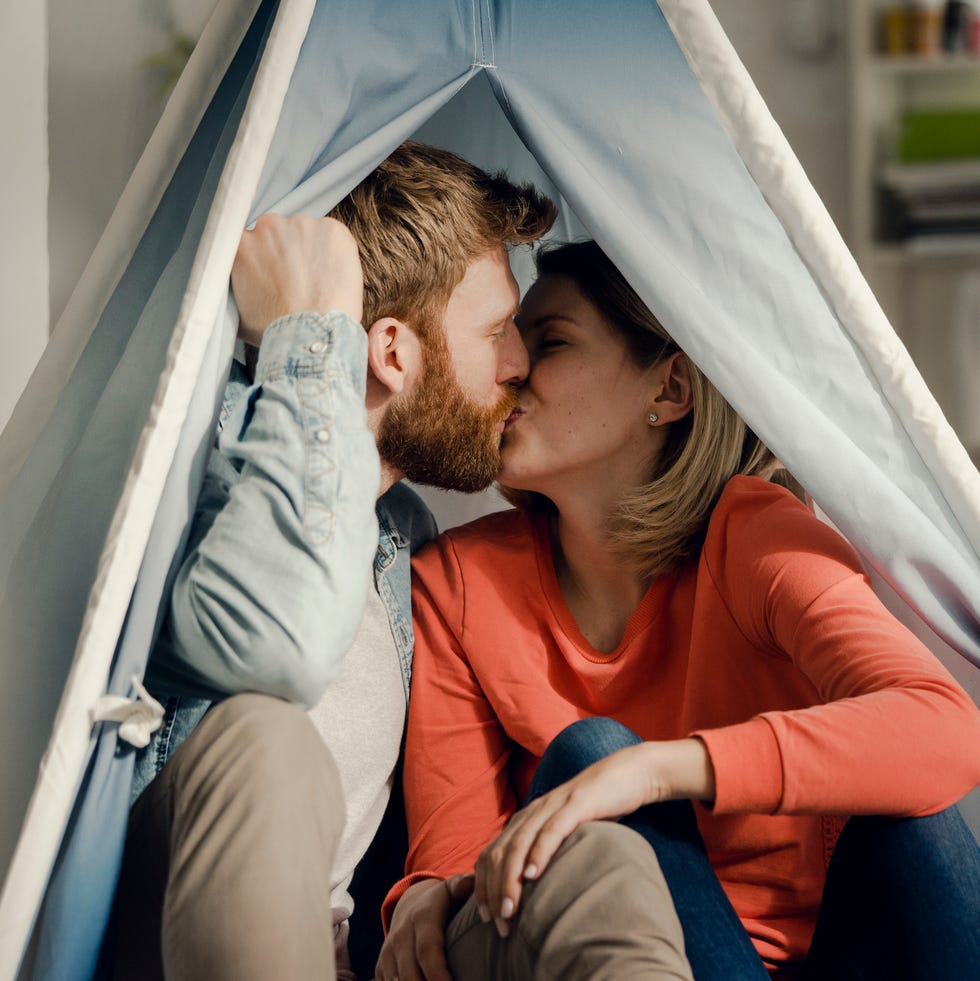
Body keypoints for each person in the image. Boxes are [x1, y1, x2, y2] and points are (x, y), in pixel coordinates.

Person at [378, 240, 980, 981]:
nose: (511, 369)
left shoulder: (756, 535)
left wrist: (660, 770)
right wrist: (422, 896)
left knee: (911, 807)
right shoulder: (457, 583)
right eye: (507, 339)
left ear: (669, 390)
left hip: (843, 955)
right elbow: (456, 861)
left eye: (552, 341)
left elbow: (947, 726)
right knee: (588, 753)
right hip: (646, 961)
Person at [111, 141, 555, 981]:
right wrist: (311, 331)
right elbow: (278, 647)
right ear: (390, 352)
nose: (519, 363)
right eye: (497, 331)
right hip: (163, 936)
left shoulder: (406, 537)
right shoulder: (217, 465)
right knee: (265, 737)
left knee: (592, 868)